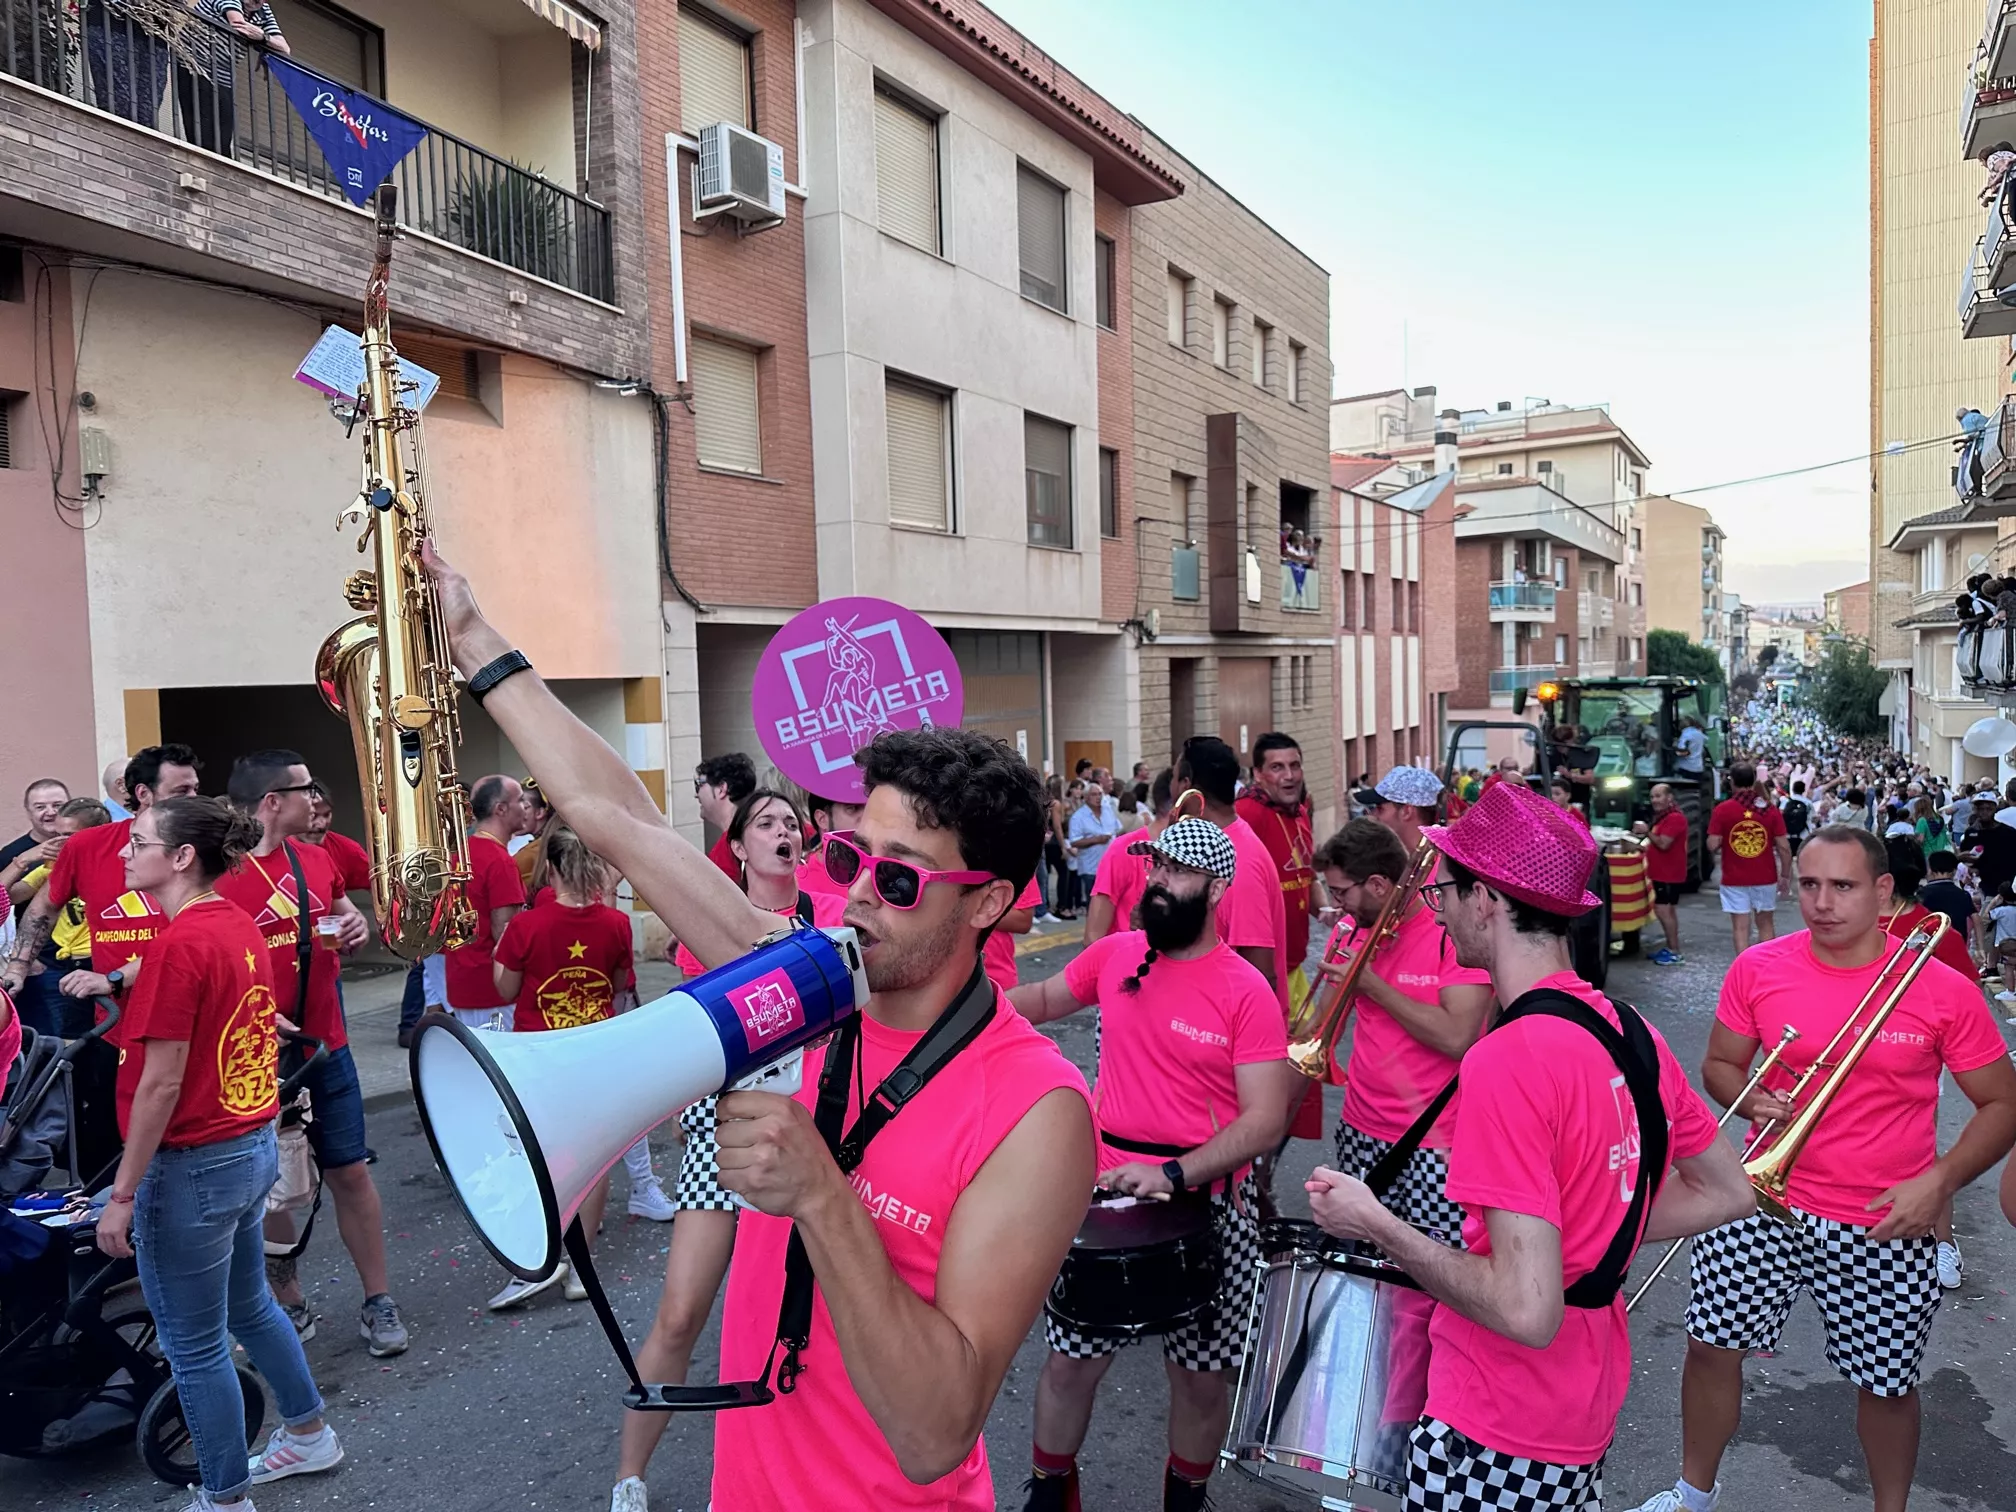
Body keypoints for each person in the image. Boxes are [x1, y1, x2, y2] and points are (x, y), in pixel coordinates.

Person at [1306, 780, 1752, 1512]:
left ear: (1486, 899)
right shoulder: (1630, 1031)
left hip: (1495, 1415)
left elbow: (1524, 1310)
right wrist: (1584, 1229)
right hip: (1581, 1400)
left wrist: (1375, 1222)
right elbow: (1728, 1189)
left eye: (1446, 888)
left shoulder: (1504, 1059)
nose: (1438, 907)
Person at [1630, 826, 2016, 1512]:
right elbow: (1721, 1064)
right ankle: (1692, 1495)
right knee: (1710, 1346)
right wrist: (1750, 1096)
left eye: (1842, 886)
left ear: (1883, 891)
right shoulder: (1760, 967)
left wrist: (1941, 1181)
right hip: (1756, 1199)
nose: (1822, 902)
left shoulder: (1939, 988)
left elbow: (1999, 1104)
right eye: (1809, 885)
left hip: (1882, 1219)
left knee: (1889, 1385)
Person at [1010, 818, 1301, 1511]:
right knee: (1071, 1362)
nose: (1158, 884)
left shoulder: (1244, 991)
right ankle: (1050, 1494)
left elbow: (1263, 1119)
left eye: (1177, 873)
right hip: (1103, 1201)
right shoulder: (1116, 955)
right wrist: (957, 1015)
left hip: (1205, 1207)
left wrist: (1173, 1175)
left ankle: (1184, 1500)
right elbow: (1047, 1000)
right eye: (1156, 869)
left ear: (1218, 888)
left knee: (1200, 1379)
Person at [91, 796, 342, 1509]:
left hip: (196, 1161)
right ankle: (310, 1433)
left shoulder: (176, 946)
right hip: (247, 1143)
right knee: (250, 1307)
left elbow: (161, 1082)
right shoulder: (231, 922)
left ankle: (226, 1497)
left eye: (137, 842)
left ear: (179, 857)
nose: (123, 853)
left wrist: (121, 1193)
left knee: (195, 1345)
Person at [609, 790, 850, 1505]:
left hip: (815, 1141)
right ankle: (629, 1476)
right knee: (682, 1312)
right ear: (738, 848)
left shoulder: (832, 919)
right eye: (764, 825)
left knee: (804, 1323)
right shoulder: (702, 930)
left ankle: (788, 1472)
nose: (783, 832)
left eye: (789, 823)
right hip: (728, 1132)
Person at [216, 750, 407, 1359]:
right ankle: (290, 1300)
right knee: (266, 1188)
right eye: (304, 791)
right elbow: (195, 964)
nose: (316, 801)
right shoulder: (216, 874)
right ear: (273, 802)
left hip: (327, 1047)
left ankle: (379, 1300)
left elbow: (348, 917)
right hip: (252, 1054)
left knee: (350, 1171)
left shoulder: (316, 858)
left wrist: (354, 928)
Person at [1316, 818, 1493, 1248]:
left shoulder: (1450, 935)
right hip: (1360, 1128)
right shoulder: (1352, 930)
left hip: (1436, 1143)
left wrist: (1372, 984)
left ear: (1378, 884)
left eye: (1341, 892)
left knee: (1434, 1275)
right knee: (1365, 1274)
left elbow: (1459, 1037)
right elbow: (1321, 1030)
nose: (1336, 904)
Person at [489, 824, 636, 1311]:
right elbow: (617, 985)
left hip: (538, 1059)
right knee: (592, 1161)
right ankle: (581, 1263)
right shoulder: (616, 924)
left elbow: (506, 991)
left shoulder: (525, 927)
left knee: (537, 1159)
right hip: (594, 1051)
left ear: (548, 867)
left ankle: (540, 1256)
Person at [2, 744, 202, 1007]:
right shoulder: (90, 844)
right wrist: (18, 966)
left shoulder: (207, 848)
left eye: (195, 789)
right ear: (143, 793)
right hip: (113, 1012)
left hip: (187, 1002)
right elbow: (44, 905)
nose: (194, 798)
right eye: (181, 791)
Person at [1234, 732, 1319, 1003]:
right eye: (1277, 767)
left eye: (1294, 765)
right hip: (1263, 969)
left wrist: (1328, 911)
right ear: (1258, 774)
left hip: (1294, 964)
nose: (1290, 775)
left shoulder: (1301, 812)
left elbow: (1307, 874)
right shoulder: (1246, 813)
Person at [442, 774, 528, 1030]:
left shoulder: (460, 854)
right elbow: (506, 936)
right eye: (521, 800)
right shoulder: (499, 861)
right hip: (494, 992)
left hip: (461, 984)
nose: (526, 807)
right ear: (500, 809)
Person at [1, 778, 74, 1033]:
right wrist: (25, 860)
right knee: (50, 1042)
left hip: (90, 961)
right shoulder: (14, 854)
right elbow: (4, 898)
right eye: (40, 807)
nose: (50, 812)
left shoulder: (88, 844)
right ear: (29, 812)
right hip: (40, 965)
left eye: (58, 804)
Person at [177, 2, 289, 156]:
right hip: (194, 64)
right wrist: (263, 42)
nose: (258, 2)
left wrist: (263, 37)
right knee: (202, 131)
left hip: (223, 74)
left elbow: (285, 48)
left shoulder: (264, 10)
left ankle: (218, 173)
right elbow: (238, 24)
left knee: (223, 136)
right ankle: (203, 169)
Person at [1708, 763, 1791, 953]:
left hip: (1734, 878)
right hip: (1765, 876)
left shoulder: (1722, 809)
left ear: (1732, 782)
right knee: (1766, 925)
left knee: (1740, 927)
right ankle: (1766, 969)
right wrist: (1785, 874)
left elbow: (1713, 845)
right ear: (1753, 780)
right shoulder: (1769, 809)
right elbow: (1784, 848)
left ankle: (1743, 972)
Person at [694, 752, 758, 883]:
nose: (696, 795)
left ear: (722, 789)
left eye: (699, 784)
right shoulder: (758, 831)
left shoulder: (727, 848)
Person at [1355, 765, 1444, 855]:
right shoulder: (1402, 859)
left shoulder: (1442, 865)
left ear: (1407, 812)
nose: (1373, 815)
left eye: (1380, 808)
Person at [1646, 782, 1689, 965]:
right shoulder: (1663, 817)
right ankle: (1672, 947)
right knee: (1667, 910)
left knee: (1664, 910)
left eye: (1658, 796)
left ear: (1669, 798)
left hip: (1668, 873)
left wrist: (1646, 832)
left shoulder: (1674, 819)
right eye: (1652, 796)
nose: (1654, 800)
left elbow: (1664, 843)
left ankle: (1674, 950)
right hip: (1662, 871)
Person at [1064, 781, 1120, 913]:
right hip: (1091, 867)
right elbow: (1074, 842)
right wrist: (1096, 839)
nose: (1098, 797)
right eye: (1094, 794)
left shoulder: (1108, 811)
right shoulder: (1078, 817)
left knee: (1112, 903)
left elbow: (1118, 829)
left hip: (1111, 865)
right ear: (1086, 797)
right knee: (1095, 905)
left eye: (1100, 794)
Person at [1920, 850, 1976, 942]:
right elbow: (1976, 918)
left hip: (1930, 945)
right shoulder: (1963, 894)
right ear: (1954, 871)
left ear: (1930, 870)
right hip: (1957, 943)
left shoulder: (1922, 893)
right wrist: (1980, 946)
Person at [1782, 780, 1811, 853]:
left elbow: (1781, 814)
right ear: (1804, 790)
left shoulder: (1785, 801)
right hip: (1803, 834)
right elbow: (1813, 818)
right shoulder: (1808, 802)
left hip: (1787, 834)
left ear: (1793, 789)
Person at [1675, 716, 1707, 781]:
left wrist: (1674, 749)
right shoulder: (1699, 733)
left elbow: (1683, 751)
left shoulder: (1685, 734)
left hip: (1686, 768)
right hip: (1698, 768)